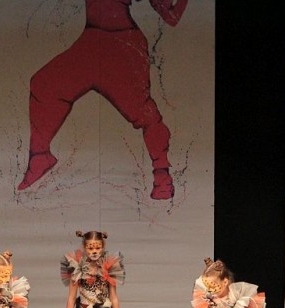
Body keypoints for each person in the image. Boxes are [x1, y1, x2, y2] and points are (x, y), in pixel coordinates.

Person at [17, 0, 189, 200]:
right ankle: (39, 157)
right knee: (44, 84)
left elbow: (171, 17)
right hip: (90, 42)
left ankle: (162, 177)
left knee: (145, 113)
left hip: (122, 45)